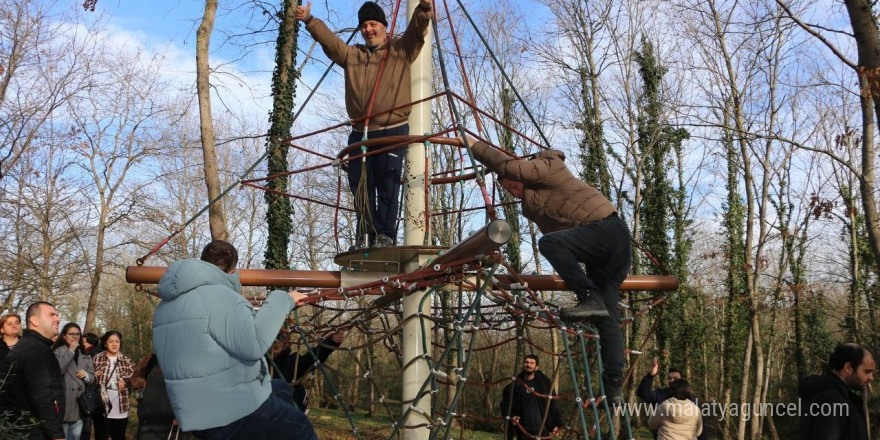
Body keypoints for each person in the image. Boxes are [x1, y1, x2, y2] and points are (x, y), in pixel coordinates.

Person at [467, 138, 632, 404]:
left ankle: (589, 294)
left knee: (549, 244)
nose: (514, 192)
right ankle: (614, 385)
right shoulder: (534, 205)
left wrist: (476, 147)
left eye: (513, 186)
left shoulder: (549, 166)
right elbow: (563, 240)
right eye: (509, 191)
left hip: (607, 232)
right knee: (606, 317)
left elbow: (516, 169)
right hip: (599, 249)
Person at [296, 0, 433, 248]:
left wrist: (423, 9)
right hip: (360, 131)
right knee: (361, 184)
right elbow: (331, 43)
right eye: (364, 25)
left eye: (373, 24)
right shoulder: (353, 55)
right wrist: (309, 20)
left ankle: (385, 235)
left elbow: (417, 30)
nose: (368, 29)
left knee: (388, 182)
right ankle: (365, 235)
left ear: (383, 26)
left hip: (392, 128)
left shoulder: (400, 49)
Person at [153, 240, 316, 440]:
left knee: (280, 388)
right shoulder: (221, 296)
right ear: (232, 269)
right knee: (300, 427)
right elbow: (254, 345)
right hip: (228, 411)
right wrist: (283, 299)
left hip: (192, 410)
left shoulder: (166, 304)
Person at [0, 301, 65, 440]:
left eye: (57, 315)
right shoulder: (35, 350)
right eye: (51, 315)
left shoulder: (29, 346)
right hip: (34, 432)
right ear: (34, 320)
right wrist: (56, 434)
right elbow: (42, 397)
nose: (57, 319)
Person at [799, 343, 875, 440]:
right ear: (848, 368)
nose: (871, 378)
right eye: (867, 372)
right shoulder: (831, 398)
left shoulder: (841, 397)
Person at [270, 330, 345, 412]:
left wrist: (330, 342)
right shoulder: (259, 362)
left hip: (286, 410)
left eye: (279, 339)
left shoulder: (292, 362)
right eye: (272, 340)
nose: (275, 343)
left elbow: (312, 358)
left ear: (286, 344)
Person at [637, 358, 706, 440]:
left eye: (675, 378)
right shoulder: (659, 394)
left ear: (682, 380)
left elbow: (701, 430)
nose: (672, 380)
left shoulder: (693, 400)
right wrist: (650, 375)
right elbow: (642, 393)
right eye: (669, 378)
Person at [131, 353, 195, 440]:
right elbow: (135, 380)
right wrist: (141, 399)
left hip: (173, 421)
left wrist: (184, 415)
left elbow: (193, 389)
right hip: (148, 418)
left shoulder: (185, 359)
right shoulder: (150, 359)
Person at [499, 355, 562, 440]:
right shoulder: (515, 386)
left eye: (532, 363)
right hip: (523, 430)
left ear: (536, 367)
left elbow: (553, 405)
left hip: (542, 429)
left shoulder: (544, 385)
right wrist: (511, 416)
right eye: (526, 362)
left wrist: (556, 424)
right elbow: (505, 405)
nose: (528, 365)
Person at [51, 323, 96, 440]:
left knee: (76, 437)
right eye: (71, 334)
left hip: (81, 404)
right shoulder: (57, 352)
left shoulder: (85, 353)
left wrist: (87, 376)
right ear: (64, 336)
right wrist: (71, 350)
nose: (75, 336)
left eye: (77, 334)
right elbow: (59, 370)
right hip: (65, 403)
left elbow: (93, 378)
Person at [92, 331, 135, 440]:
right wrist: (93, 375)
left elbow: (135, 376)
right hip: (101, 407)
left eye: (117, 341)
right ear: (105, 344)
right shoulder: (97, 358)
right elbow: (90, 377)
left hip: (121, 407)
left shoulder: (126, 361)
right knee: (101, 436)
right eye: (111, 341)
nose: (114, 344)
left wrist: (125, 381)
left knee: (119, 436)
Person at [79, 331, 101, 440]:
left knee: (85, 424)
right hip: (92, 394)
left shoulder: (90, 353)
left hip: (88, 392)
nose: (81, 343)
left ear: (90, 343)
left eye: (83, 341)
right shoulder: (99, 352)